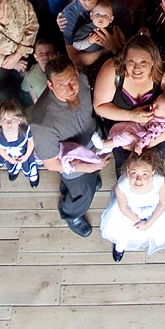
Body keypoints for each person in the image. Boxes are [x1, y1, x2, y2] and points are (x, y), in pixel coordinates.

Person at [28, 57, 106, 236]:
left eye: (72, 80)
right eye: (61, 85)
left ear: (76, 73)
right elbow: (51, 163)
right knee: (83, 194)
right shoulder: (43, 122)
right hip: (73, 161)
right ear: (50, 85)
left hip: (93, 141)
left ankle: (89, 179)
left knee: (92, 178)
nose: (70, 89)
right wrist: (87, 167)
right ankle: (72, 214)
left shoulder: (83, 81)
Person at [91, 34, 165, 173]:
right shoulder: (113, 69)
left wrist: (146, 143)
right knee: (124, 173)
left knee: (152, 176)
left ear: (153, 61)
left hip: (155, 138)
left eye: (143, 62)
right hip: (121, 135)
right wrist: (131, 115)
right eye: (131, 61)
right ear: (124, 60)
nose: (137, 68)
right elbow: (99, 107)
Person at [100, 150, 165, 261]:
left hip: (156, 208)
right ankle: (120, 247)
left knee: (164, 225)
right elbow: (123, 207)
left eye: (144, 174)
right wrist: (138, 222)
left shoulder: (160, 181)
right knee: (124, 231)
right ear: (128, 171)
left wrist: (149, 223)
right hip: (131, 212)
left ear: (152, 173)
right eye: (134, 173)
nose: (138, 179)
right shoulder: (122, 186)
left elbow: (163, 203)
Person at [0, 99, 40, 186]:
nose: (9, 124)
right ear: (0, 121)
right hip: (9, 154)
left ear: (20, 120)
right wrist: (9, 159)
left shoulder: (24, 129)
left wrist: (26, 155)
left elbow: (31, 142)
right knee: (10, 164)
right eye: (5, 119)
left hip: (24, 152)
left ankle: (33, 175)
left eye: (13, 119)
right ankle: (14, 170)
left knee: (29, 163)